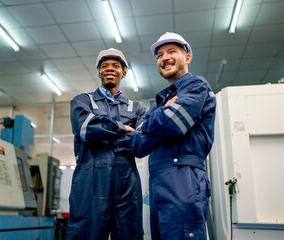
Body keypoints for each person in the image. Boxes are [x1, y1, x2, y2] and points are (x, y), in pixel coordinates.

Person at [130, 32, 216, 240]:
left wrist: (146, 126)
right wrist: (162, 114)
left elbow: (175, 122)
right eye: (159, 55)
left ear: (187, 58)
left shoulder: (197, 86)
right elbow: (136, 146)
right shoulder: (161, 102)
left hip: (184, 183)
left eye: (171, 52)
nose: (164, 58)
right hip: (158, 189)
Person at [66, 48, 146, 240]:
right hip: (91, 184)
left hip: (127, 186)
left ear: (124, 73)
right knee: (86, 235)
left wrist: (102, 134)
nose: (109, 69)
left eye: (115, 66)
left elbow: (141, 143)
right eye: (104, 66)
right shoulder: (83, 101)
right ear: (99, 72)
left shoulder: (137, 108)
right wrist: (122, 128)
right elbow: (85, 129)